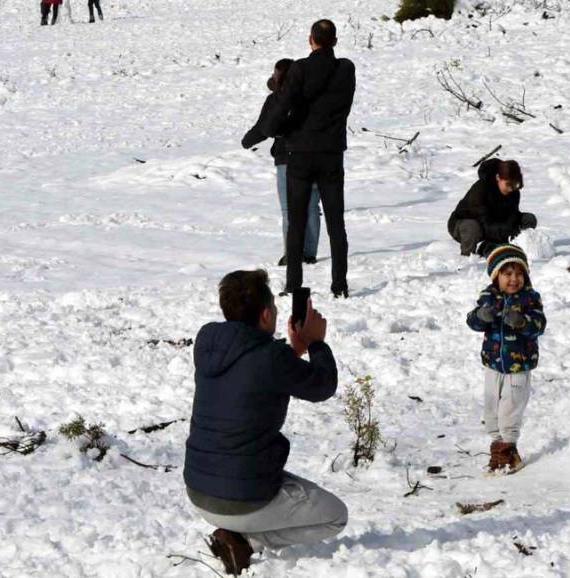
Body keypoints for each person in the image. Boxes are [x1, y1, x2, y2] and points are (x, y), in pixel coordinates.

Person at [184, 270, 346, 575]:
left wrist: (292, 351)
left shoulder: (207, 341)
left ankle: (236, 534)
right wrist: (315, 344)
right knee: (336, 516)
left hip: (198, 490)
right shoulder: (271, 359)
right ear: (266, 313)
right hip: (242, 499)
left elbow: (253, 370)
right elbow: (322, 386)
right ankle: (247, 542)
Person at [261, 19, 356, 298]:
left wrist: (274, 130)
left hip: (300, 154)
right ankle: (339, 285)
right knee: (336, 224)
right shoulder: (346, 69)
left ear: (310, 40)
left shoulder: (300, 68)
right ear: (335, 41)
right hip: (331, 154)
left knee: (297, 222)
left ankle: (293, 285)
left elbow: (284, 105)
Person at [466, 244, 546, 473]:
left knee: (510, 408)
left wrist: (523, 322)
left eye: (519, 273)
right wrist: (481, 316)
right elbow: (472, 321)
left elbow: (539, 325)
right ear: (496, 276)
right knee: (491, 408)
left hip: (519, 364)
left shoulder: (530, 299)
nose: (514, 279)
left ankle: (509, 449)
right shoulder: (488, 297)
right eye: (507, 274)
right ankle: (497, 446)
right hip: (493, 363)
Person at [242, 58, 322, 267]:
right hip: (313, 155)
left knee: (290, 209)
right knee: (311, 207)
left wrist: (247, 141)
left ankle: (292, 254)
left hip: (286, 158)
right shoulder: (312, 96)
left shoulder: (276, 99)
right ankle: (310, 253)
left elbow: (263, 127)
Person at [448, 158, 538, 257]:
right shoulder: (480, 189)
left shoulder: (514, 192)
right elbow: (483, 221)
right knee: (473, 227)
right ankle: (467, 258)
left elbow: (513, 215)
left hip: (496, 224)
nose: (511, 188)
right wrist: (505, 230)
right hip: (466, 224)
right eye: (508, 184)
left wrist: (511, 228)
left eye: (514, 185)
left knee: (529, 219)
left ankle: (521, 248)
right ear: (498, 177)